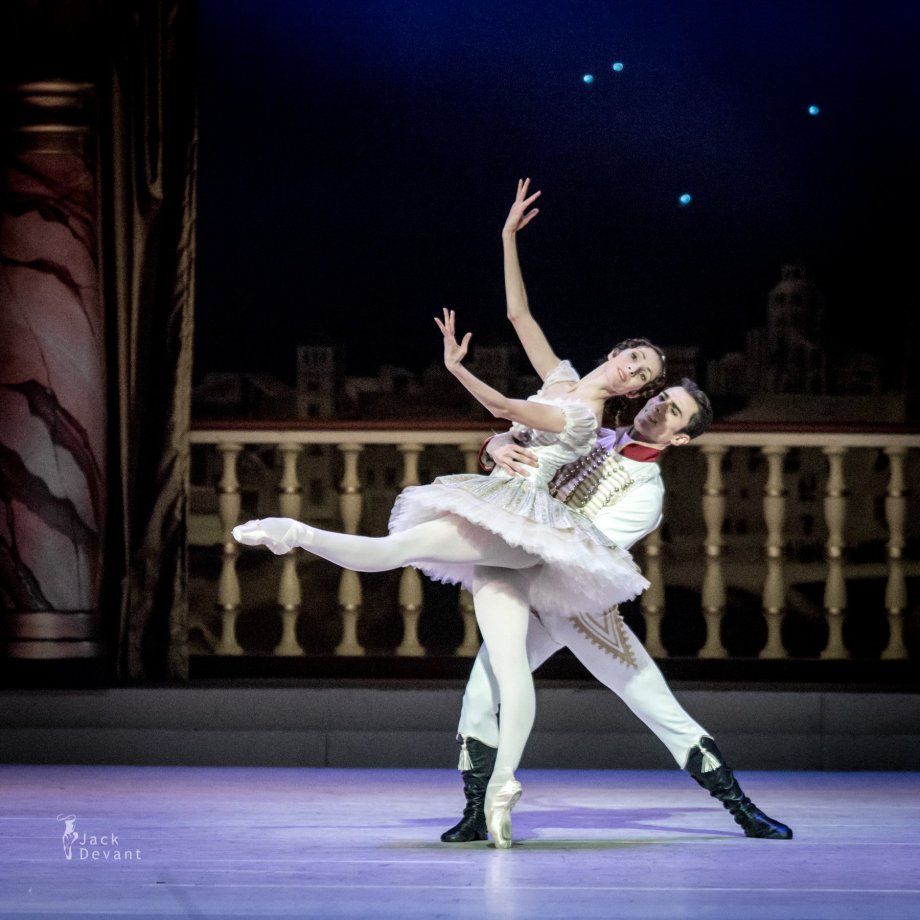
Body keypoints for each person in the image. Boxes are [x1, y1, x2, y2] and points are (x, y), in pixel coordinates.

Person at [234, 179, 668, 847]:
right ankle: (503, 790)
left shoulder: (583, 414)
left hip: (515, 522)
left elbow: (509, 412)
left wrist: (456, 370)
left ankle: (294, 532)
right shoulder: (563, 375)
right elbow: (520, 317)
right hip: (515, 537)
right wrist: (506, 238)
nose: (634, 372)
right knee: (509, 667)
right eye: (633, 359)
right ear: (614, 354)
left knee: (391, 551)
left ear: (634, 388)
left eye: (644, 376)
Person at [439, 381, 794, 845]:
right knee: (480, 695)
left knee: (655, 703)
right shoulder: (593, 433)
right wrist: (498, 444)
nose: (659, 409)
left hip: (577, 606)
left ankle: (743, 810)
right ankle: (472, 813)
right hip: (526, 590)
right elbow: (524, 441)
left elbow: (575, 552)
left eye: (673, 413)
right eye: (661, 399)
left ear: (679, 438)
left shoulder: (646, 495)